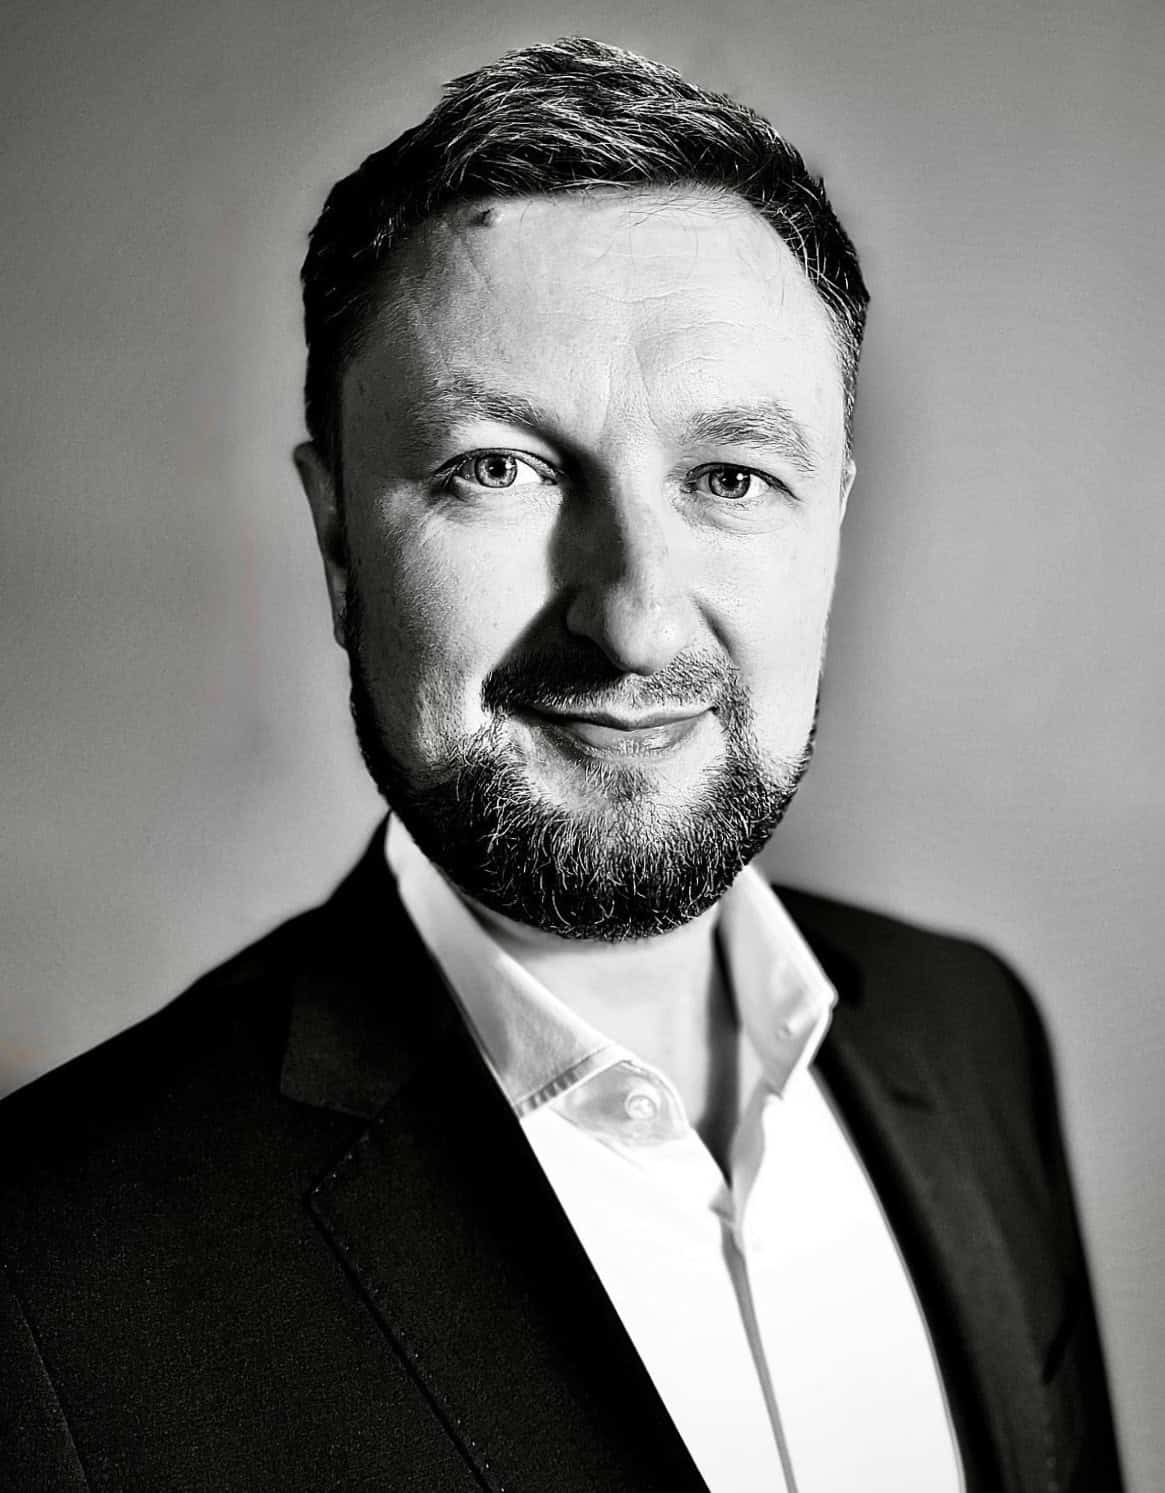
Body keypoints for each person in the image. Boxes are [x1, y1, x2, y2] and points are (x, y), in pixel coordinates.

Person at [0, 36, 1122, 1493]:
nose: (634, 617)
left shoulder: (970, 1036)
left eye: (731, 476)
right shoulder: (47, 1273)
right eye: (498, 470)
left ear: (833, 520)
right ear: (338, 539)